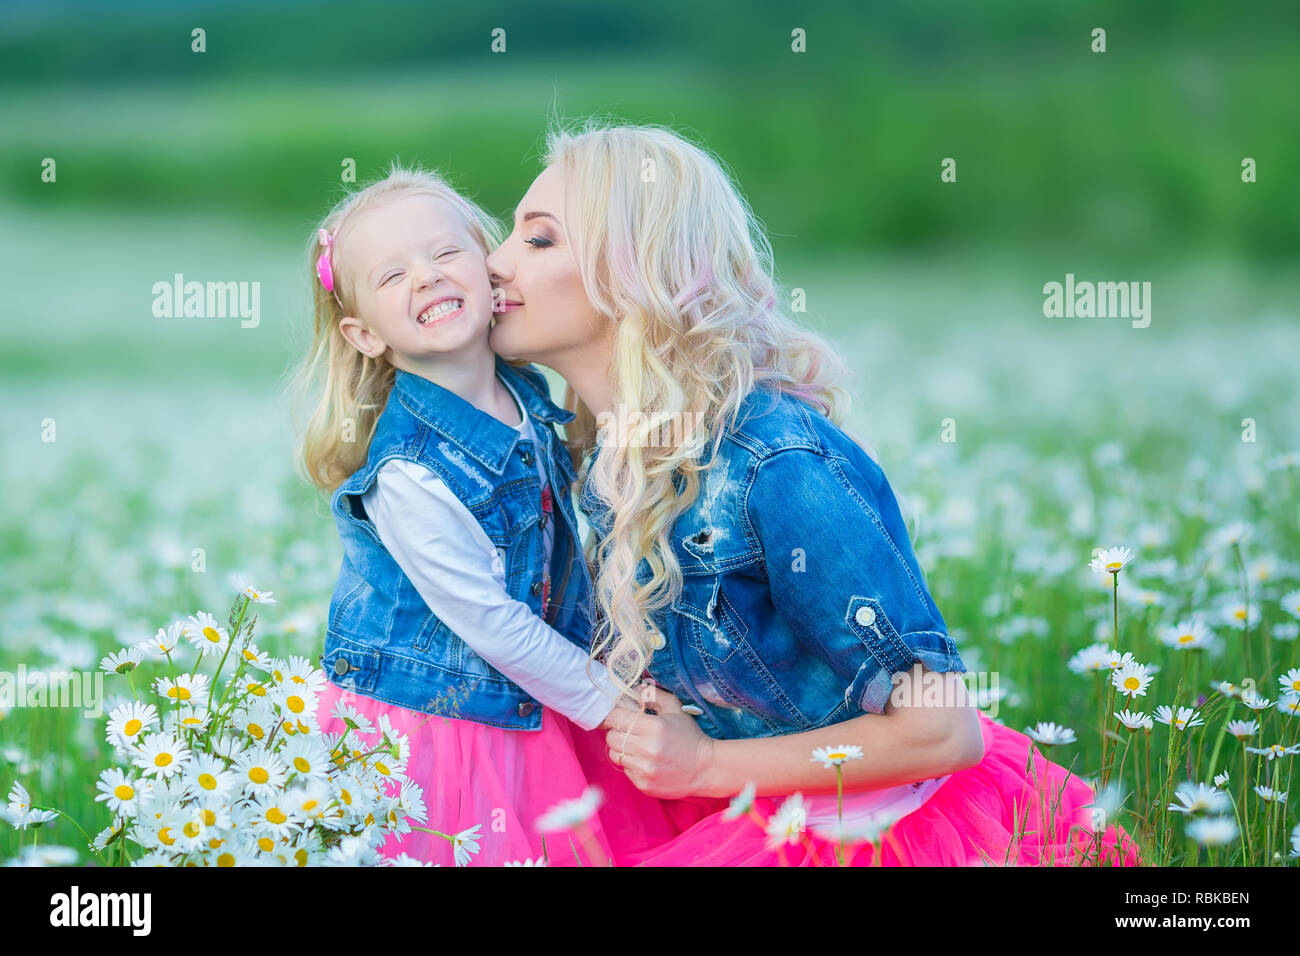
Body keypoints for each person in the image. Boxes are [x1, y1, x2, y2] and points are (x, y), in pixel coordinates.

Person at [484, 121, 1143, 866]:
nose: (493, 264)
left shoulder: (774, 461)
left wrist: (705, 767)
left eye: (538, 241)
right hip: (746, 809)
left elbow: (940, 732)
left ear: (637, 276)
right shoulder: (598, 456)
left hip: (875, 826)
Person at [288, 163, 691, 865]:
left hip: (540, 687)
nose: (425, 277)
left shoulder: (526, 387)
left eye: (444, 253)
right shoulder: (408, 474)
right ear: (364, 336)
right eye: (391, 276)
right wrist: (613, 702)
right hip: (444, 727)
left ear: (488, 263)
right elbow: (492, 623)